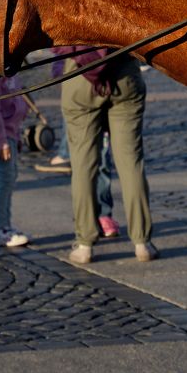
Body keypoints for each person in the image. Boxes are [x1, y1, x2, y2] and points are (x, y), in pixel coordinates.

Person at [59, 47, 158, 264]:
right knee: (131, 162)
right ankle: (142, 243)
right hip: (124, 73)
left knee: (83, 167)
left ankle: (85, 244)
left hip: (79, 76)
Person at [0, 76, 31, 247]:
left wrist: (17, 135)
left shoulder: (13, 75)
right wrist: (1, 140)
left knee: (10, 178)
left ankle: (5, 225)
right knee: (5, 179)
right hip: (1, 135)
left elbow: (17, 101)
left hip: (11, 133)